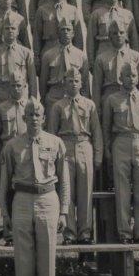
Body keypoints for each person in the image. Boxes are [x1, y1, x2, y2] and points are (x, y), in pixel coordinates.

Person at [0, 99, 69, 276]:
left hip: (48, 199)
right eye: (29, 114)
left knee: (47, 256)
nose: (34, 118)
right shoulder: (12, 146)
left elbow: (65, 181)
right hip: (22, 200)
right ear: (24, 118)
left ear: (44, 118)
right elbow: (4, 185)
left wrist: (64, 212)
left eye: (37, 114)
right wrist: (5, 214)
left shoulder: (56, 143)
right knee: (23, 257)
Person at [102, 62, 139, 243]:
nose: (131, 78)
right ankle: (125, 233)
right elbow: (106, 129)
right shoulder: (112, 99)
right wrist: (108, 150)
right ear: (121, 78)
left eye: (134, 75)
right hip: (121, 141)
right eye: (127, 75)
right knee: (122, 189)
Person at [47, 68, 102, 245]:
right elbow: (52, 134)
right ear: (64, 83)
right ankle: (69, 233)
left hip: (84, 145)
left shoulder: (89, 105)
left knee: (86, 192)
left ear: (81, 83)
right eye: (70, 80)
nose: (73, 83)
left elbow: (97, 133)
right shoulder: (58, 106)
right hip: (65, 146)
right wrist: (51, 158)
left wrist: (98, 156)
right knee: (66, 191)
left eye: (76, 80)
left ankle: (85, 233)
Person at [0, 74, 30, 245]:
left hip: (24, 152)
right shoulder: (1, 109)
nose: (16, 88)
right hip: (7, 152)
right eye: (13, 85)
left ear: (25, 86)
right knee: (7, 191)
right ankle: (9, 234)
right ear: (9, 88)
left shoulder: (29, 108)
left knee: (25, 191)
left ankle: (25, 231)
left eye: (19, 85)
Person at [0, 14, 38, 114]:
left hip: (21, 97)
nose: (10, 31)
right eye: (7, 28)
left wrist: (32, 102)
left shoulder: (26, 53)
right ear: (2, 31)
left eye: (13, 28)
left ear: (18, 32)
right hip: (1, 96)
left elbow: (32, 81)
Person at [92, 17, 139, 110]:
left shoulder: (136, 57)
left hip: (131, 97)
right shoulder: (101, 58)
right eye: (114, 33)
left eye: (121, 32)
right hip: (109, 96)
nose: (118, 35)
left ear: (126, 35)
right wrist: (97, 108)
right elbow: (96, 87)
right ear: (109, 37)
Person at [32, 0, 84, 71]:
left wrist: (77, 55)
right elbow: (37, 36)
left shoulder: (72, 10)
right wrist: (36, 57)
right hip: (48, 50)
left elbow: (78, 37)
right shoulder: (42, 10)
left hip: (69, 52)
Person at [39, 19, 90, 110]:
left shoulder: (81, 56)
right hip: (54, 97)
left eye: (68, 29)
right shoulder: (48, 55)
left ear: (73, 33)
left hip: (75, 99)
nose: (66, 32)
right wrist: (44, 101)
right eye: (63, 30)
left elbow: (85, 83)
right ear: (58, 33)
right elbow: (43, 83)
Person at [86, 0, 139, 64]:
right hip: (103, 52)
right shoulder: (96, 14)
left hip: (123, 54)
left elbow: (134, 39)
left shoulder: (127, 14)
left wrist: (135, 59)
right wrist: (91, 62)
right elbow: (91, 41)